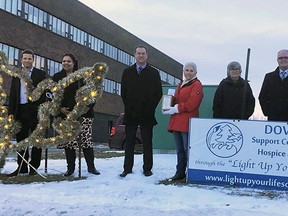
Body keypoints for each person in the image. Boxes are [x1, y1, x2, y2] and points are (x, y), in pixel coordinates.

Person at [52, 54, 100, 176]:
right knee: (69, 143)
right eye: (64, 61)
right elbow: (52, 97)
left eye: (68, 61)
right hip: (66, 116)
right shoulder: (57, 77)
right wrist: (60, 109)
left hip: (84, 115)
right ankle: (70, 168)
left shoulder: (83, 76)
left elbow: (93, 93)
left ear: (73, 63)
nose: (66, 63)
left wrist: (86, 107)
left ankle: (91, 167)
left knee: (86, 141)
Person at [120, 45, 162, 177]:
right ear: (134, 55)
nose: (141, 56)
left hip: (147, 114)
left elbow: (158, 93)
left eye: (143, 53)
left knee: (147, 142)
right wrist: (129, 107)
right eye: (138, 53)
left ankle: (147, 168)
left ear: (147, 55)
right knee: (130, 142)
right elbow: (123, 93)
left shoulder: (154, 73)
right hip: (131, 113)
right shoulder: (127, 72)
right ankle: (127, 168)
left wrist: (150, 109)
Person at [7, 49, 48, 177]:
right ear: (21, 60)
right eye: (25, 58)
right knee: (21, 140)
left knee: (36, 141)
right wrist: (11, 112)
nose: (27, 60)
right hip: (20, 111)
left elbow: (44, 94)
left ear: (33, 60)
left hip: (35, 112)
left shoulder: (40, 74)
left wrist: (42, 111)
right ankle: (22, 167)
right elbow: (13, 94)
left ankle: (33, 167)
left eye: (29, 59)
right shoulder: (16, 74)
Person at [163, 62, 203, 181]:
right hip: (177, 122)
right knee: (180, 150)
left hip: (187, 123)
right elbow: (177, 100)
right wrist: (169, 100)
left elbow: (192, 104)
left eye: (191, 70)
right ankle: (180, 172)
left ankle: (190, 172)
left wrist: (176, 108)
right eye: (187, 70)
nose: (189, 73)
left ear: (195, 72)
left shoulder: (197, 85)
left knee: (187, 150)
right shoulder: (181, 84)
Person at [259, 49, 288, 121]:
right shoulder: (269, 77)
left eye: (286, 57)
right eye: (280, 58)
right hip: (273, 119)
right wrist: (267, 112)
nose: (283, 59)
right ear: (277, 60)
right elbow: (262, 96)